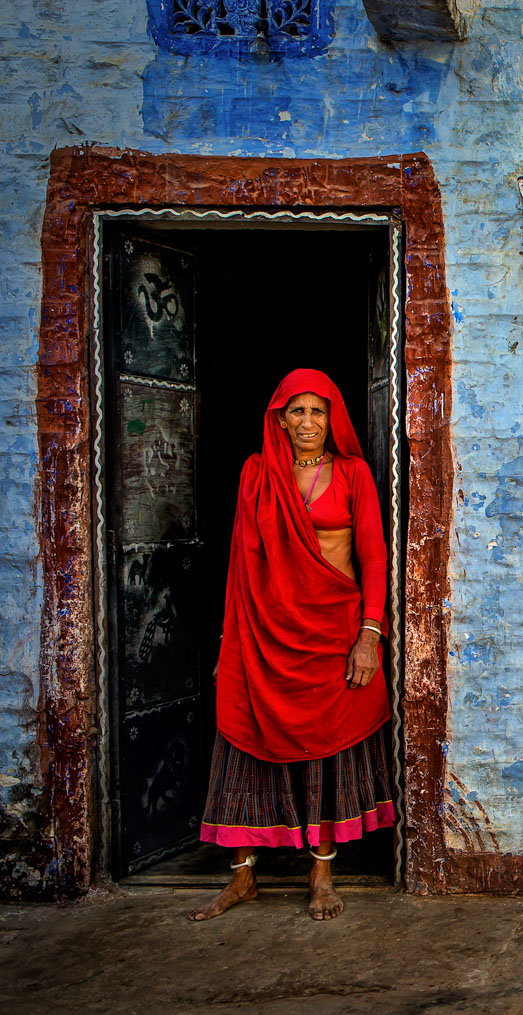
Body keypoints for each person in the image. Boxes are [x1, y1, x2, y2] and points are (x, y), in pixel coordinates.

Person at [186, 368, 394, 922]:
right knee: (246, 741)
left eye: (318, 411)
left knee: (327, 752)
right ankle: (242, 877)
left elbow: (374, 557)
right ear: (279, 418)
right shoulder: (256, 474)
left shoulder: (352, 474)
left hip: (333, 635)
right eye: (296, 411)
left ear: (333, 419)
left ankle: (321, 874)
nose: (307, 422)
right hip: (264, 635)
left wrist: (369, 635)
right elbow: (243, 564)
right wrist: (232, 642)